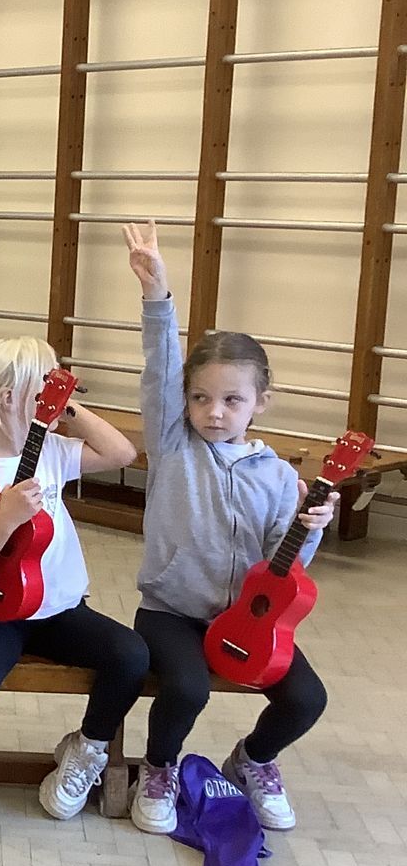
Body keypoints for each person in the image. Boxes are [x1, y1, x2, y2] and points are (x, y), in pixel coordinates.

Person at [122, 220, 334, 833]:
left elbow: (281, 571)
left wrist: (310, 527)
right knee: (187, 689)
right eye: (200, 398)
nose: (213, 412)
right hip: (171, 611)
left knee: (307, 698)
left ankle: (253, 760)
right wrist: (157, 296)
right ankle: (159, 767)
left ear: (261, 402)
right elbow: (160, 368)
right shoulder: (173, 445)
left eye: (232, 400)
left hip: (247, 620)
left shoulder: (278, 476)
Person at [0, 335, 147, 820]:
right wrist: (3, 521)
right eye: (44, 385)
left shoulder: (52, 451)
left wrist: (68, 408)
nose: (56, 394)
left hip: (58, 609)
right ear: (8, 399)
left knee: (131, 655)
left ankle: (87, 748)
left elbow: (123, 453)